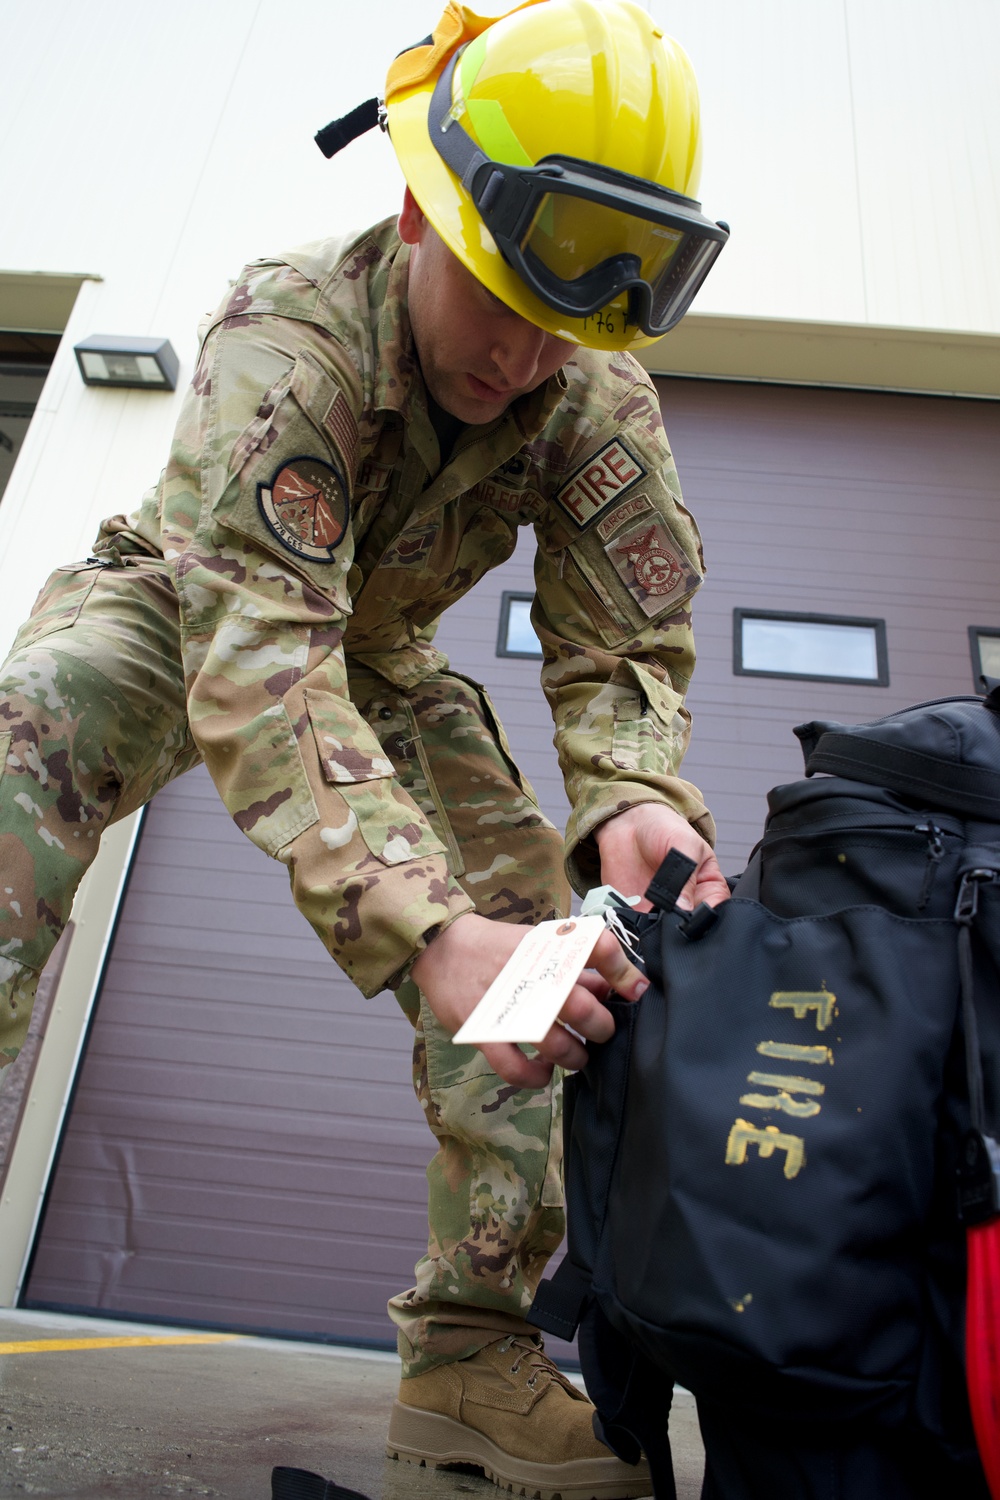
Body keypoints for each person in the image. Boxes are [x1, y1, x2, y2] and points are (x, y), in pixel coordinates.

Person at [0, 1, 730, 1495]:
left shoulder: (587, 388)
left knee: (549, 955)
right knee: (22, 758)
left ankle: (471, 1356)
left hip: (384, 654)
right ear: (417, 207)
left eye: (568, 324)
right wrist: (420, 924)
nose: (528, 356)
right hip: (187, 599)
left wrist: (634, 800)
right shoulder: (292, 332)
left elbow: (619, 650)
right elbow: (259, 653)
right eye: (500, 297)